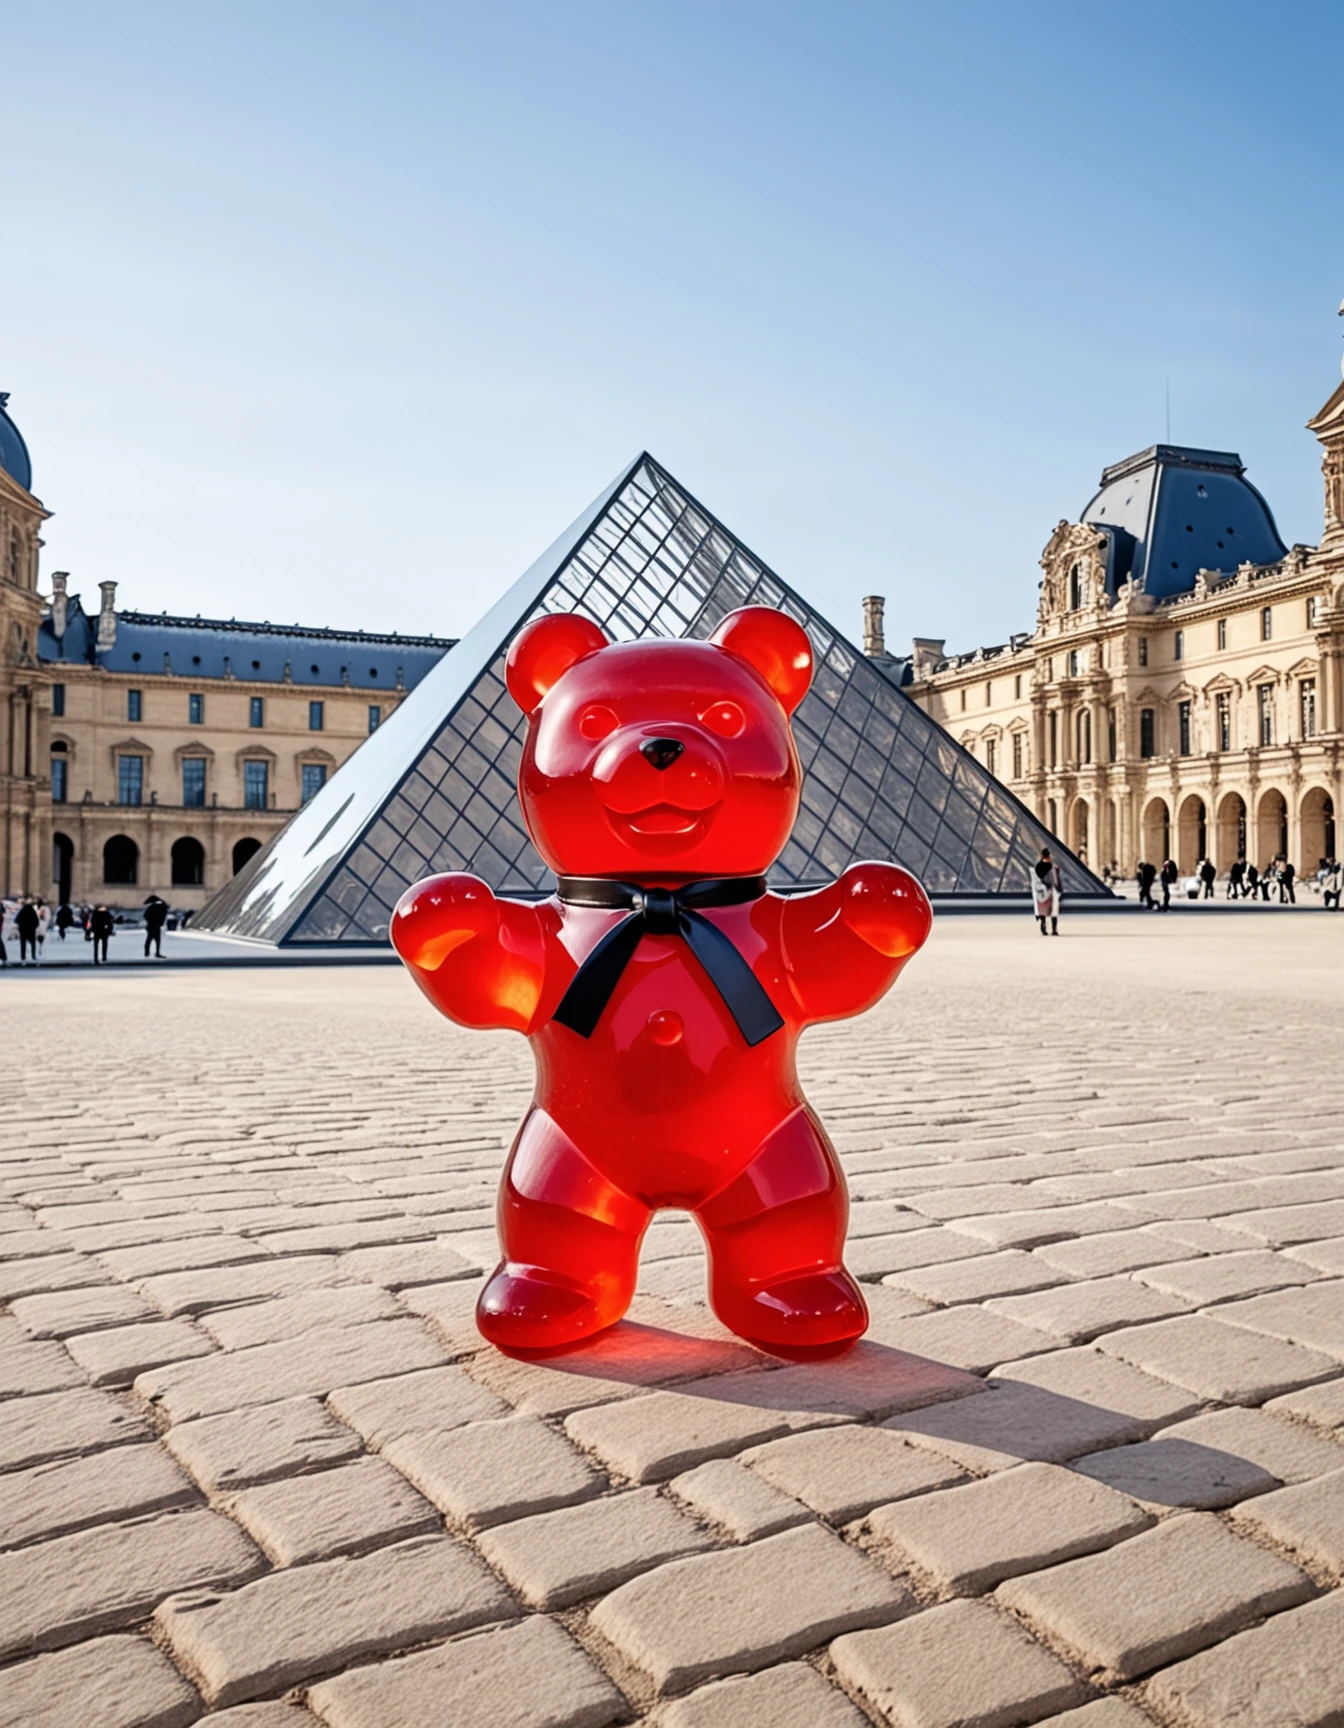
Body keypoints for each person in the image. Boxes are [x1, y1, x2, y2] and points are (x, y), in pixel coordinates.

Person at [1032, 847, 1061, 936]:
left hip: (1053, 891)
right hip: (1045, 892)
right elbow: (1037, 881)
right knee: (1045, 911)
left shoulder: (1052, 867)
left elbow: (1056, 878)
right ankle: (1044, 927)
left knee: (1053, 911)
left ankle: (1053, 929)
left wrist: (1058, 888)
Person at [15, 897, 40, 965]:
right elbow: (37, 922)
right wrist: (34, 927)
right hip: (31, 930)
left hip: (23, 930)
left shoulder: (22, 911)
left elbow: (16, 920)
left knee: (23, 944)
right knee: (33, 943)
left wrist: (20, 927)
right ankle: (33, 955)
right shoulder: (32, 911)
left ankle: (23, 956)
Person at [143, 894, 168, 958]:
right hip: (155, 926)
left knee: (150, 939)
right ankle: (155, 952)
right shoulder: (160, 907)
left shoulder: (152, 907)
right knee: (155, 939)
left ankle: (147, 952)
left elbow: (145, 915)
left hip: (152, 925)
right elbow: (166, 906)